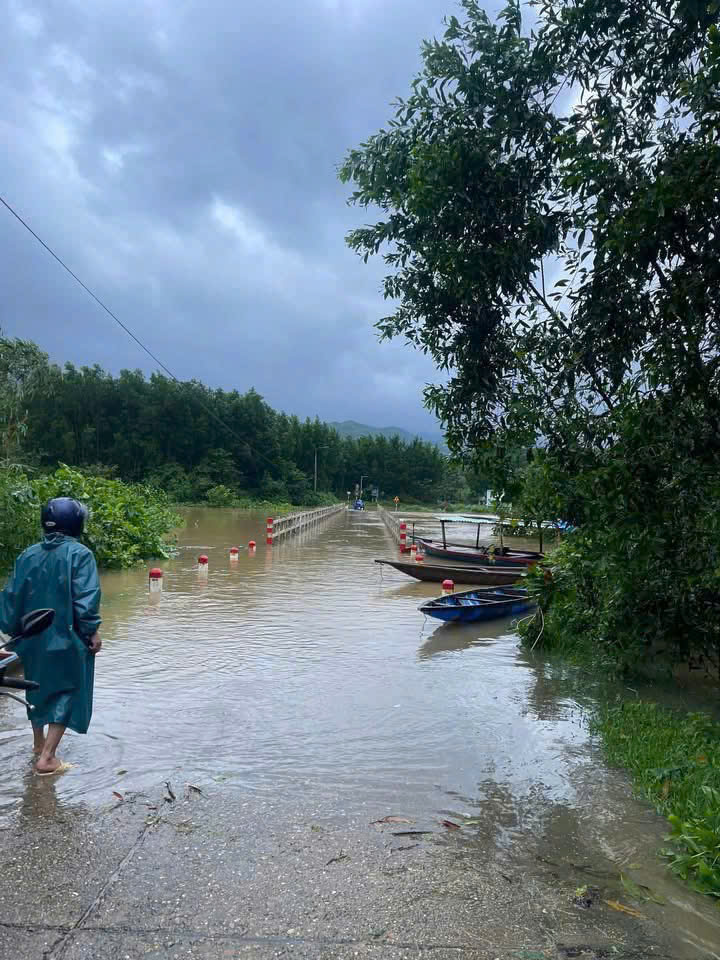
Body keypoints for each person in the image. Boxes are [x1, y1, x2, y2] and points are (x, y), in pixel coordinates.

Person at [0, 497, 102, 775]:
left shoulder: (28, 554)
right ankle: (47, 758)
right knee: (67, 691)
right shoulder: (80, 554)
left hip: (31, 638)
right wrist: (91, 631)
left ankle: (38, 744)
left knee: (36, 687)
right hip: (66, 637)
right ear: (77, 523)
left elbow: (9, 597)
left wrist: (13, 632)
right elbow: (86, 599)